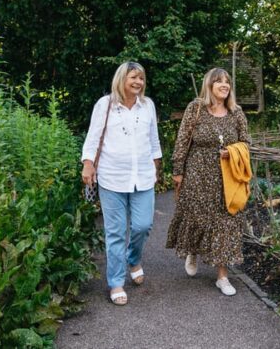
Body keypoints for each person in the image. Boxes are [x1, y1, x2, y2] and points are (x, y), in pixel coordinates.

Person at [81, 61, 162, 306]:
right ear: (121, 79)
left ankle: (133, 258)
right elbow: (93, 137)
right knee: (115, 232)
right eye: (133, 78)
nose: (138, 82)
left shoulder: (147, 105)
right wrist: (87, 163)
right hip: (112, 178)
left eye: (141, 78)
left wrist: (157, 168)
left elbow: (154, 140)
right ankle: (116, 282)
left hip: (143, 177)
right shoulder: (105, 104)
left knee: (142, 225)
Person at [166, 67, 250, 296]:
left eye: (227, 82)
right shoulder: (195, 109)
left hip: (228, 179)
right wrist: (177, 171)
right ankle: (193, 251)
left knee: (226, 223)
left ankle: (222, 277)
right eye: (219, 81)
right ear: (209, 85)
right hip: (197, 175)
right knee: (198, 217)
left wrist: (233, 152)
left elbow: (247, 144)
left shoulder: (236, 113)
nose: (224, 85)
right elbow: (183, 141)